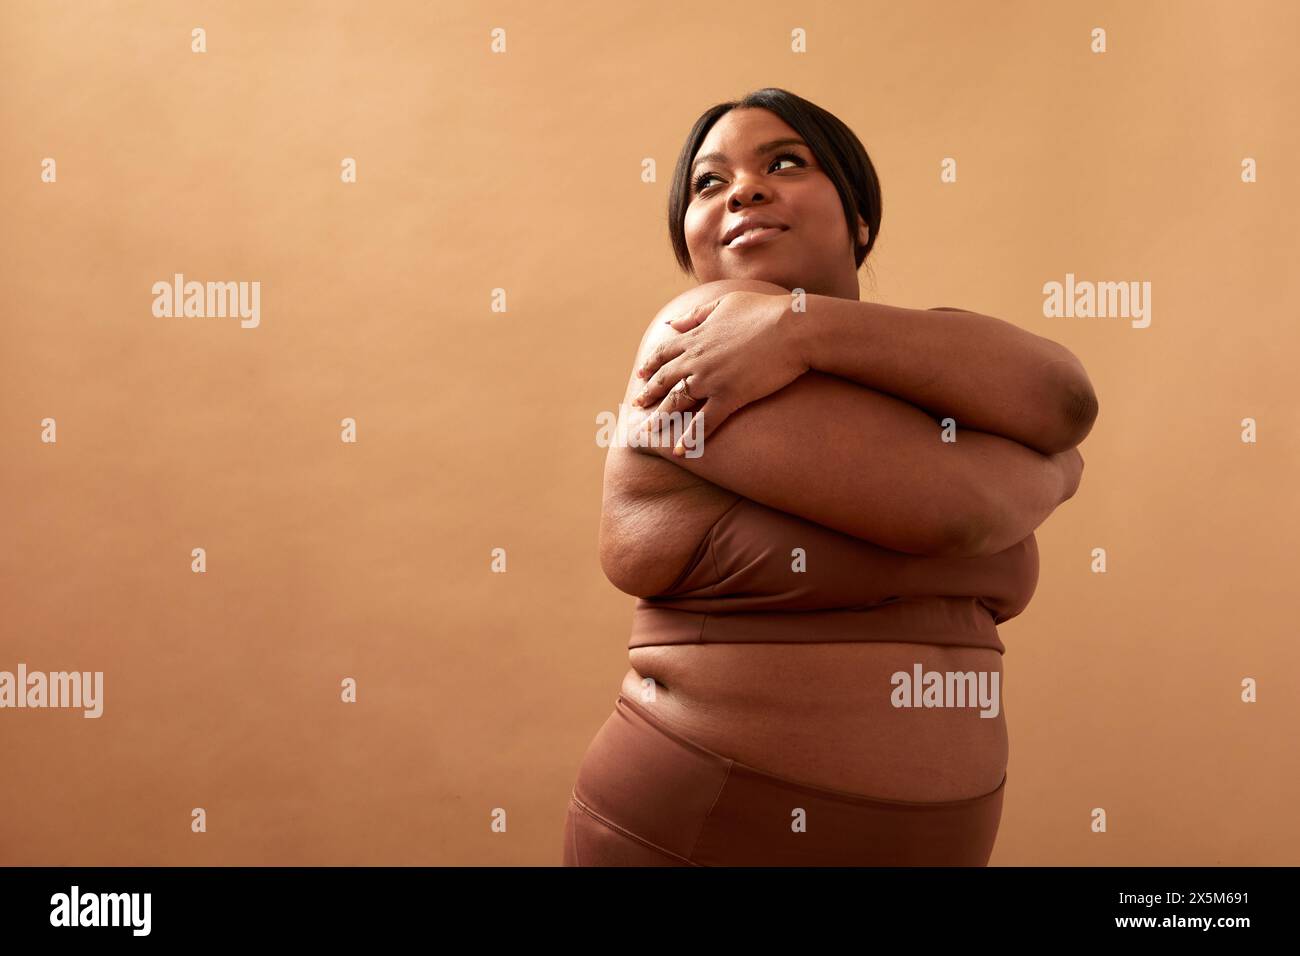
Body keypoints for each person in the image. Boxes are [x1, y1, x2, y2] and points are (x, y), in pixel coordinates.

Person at [563, 88, 1096, 866]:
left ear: (861, 220)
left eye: (785, 163)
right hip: (713, 829)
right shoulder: (690, 343)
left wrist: (798, 324)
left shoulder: (914, 353)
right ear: (690, 244)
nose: (742, 189)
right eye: (708, 183)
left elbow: (1067, 398)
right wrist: (1057, 471)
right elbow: (955, 512)